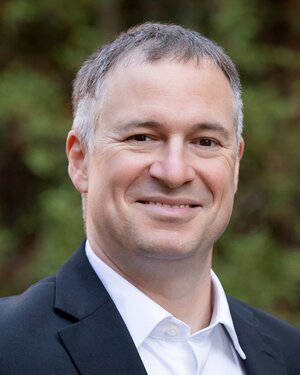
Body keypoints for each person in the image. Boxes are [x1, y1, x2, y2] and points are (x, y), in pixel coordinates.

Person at [0, 22, 299, 375]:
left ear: (235, 167)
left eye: (205, 142)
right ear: (80, 161)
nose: (174, 173)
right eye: (142, 137)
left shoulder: (290, 355)